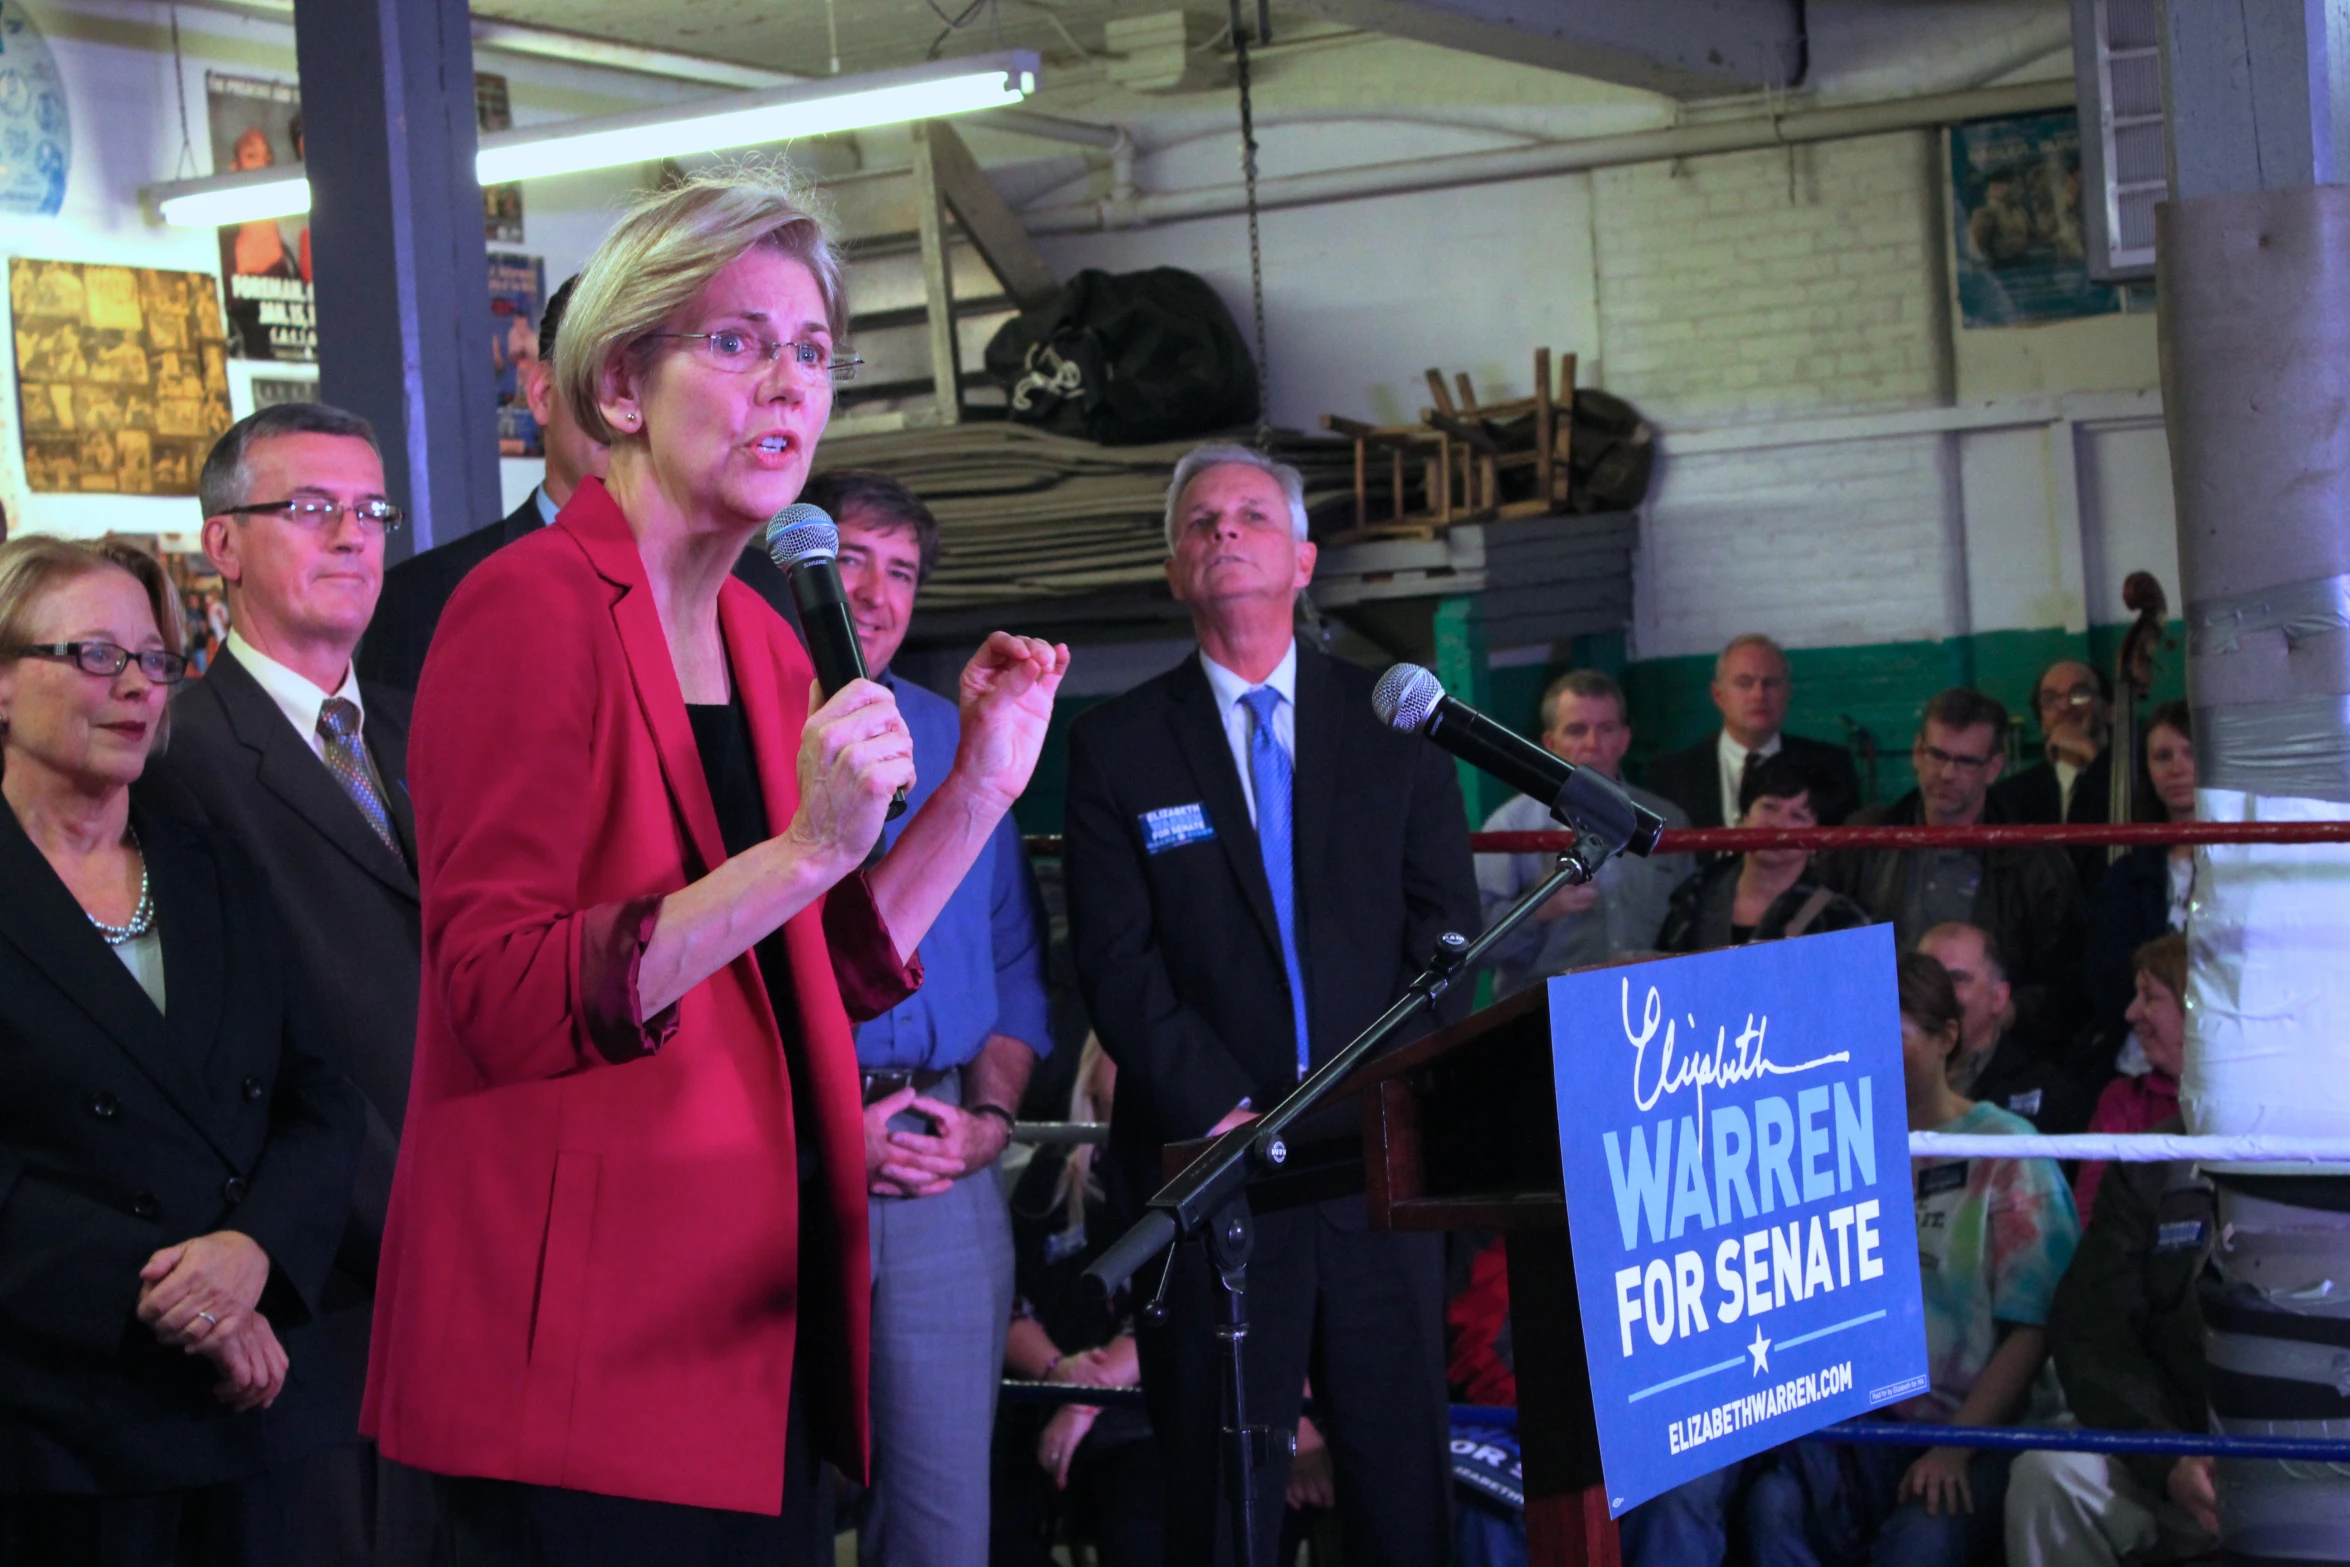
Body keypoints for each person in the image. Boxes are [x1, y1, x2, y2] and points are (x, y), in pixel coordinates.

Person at [360, 170, 1069, 1564]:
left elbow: (816, 960)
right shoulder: (525, 610)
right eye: (736, 342)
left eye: (810, 350)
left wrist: (981, 781)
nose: (787, 386)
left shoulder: (764, 638)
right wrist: (806, 840)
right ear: (620, 384)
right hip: (574, 1361)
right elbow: (501, 991)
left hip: (749, 1325)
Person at [1064, 442, 1479, 1566]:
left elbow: (1447, 933)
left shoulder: (1400, 725)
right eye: (1199, 523)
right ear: (1172, 568)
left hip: (1375, 1170)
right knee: (1221, 1499)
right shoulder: (1116, 747)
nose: (1224, 534)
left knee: (1401, 1491)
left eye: (1250, 516)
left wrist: (1384, 1104)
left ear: (1303, 560)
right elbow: (1114, 961)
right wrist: (1219, 1107)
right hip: (1210, 1172)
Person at [0, 537, 363, 1564]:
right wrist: (171, 1295)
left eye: (155, 659)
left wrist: (253, 1255)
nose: (135, 686)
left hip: (265, 1407)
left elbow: (319, 1097)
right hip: (65, 1423)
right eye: (93, 655)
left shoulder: (212, 866)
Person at [136, 403, 435, 1563]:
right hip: (319, 1287)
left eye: (370, 511)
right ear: (221, 546)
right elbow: (215, 1054)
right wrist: (375, 1220)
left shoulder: (421, 733)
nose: (352, 536)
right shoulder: (177, 754)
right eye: (309, 508)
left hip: (480, 1262)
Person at [797, 468, 1055, 1567]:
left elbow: (1014, 968)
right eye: (851, 558)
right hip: (788, 1164)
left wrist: (990, 1122)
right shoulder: (749, 727)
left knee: (946, 1523)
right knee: (770, 1510)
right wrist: (815, 1135)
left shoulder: (963, 736)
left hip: (941, 1166)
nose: (875, 590)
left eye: (900, 570)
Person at [1740, 952, 2080, 1567]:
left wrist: (1954, 1447)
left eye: (1889, 1036)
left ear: (1946, 1038)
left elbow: (2035, 1327)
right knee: (1772, 1505)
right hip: (1855, 1426)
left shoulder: (2007, 1150)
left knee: (1920, 1543)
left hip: (1976, 1429)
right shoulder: (1828, 1140)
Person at [1820, 688, 2087, 1074]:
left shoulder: (2035, 860)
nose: (1946, 774)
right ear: (1917, 752)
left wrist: (2004, 1010)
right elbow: (1820, 945)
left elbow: (2070, 983)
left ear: (1993, 768)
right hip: (1872, 1048)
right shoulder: (1863, 839)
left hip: (1988, 1061)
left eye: (1965, 762)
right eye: (1938, 756)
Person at [357, 276, 606, 689]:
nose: (631, 411)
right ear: (543, 395)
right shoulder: (424, 603)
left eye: (656, 383)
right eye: (605, 381)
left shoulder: (742, 588)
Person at [2005, 1093, 2216, 1567]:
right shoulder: (2156, 1158)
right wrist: (2168, 1458)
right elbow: (2093, 1334)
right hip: (2176, 1450)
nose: (2133, 1012)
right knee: (2048, 1475)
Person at [993, 1037, 1160, 1567]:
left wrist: (1089, 1398)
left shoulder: (1177, 1172)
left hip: (1142, 1413)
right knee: (988, 1523)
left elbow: (1175, 1305)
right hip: (1044, 1395)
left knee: (1141, 1524)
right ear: (1089, 1069)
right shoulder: (1045, 1176)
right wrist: (1059, 1373)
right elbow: (1007, 1300)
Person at [1475, 669, 1689, 995]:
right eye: (1577, 731)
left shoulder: (1666, 820)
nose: (1592, 744)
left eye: (1606, 729)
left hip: (1651, 1004)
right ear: (1550, 742)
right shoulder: (1510, 826)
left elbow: (1692, 924)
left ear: (1624, 739)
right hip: (1541, 1013)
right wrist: (1537, 909)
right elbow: (1473, 947)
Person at [1655, 752, 1871, 951]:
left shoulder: (1840, 918)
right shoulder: (1695, 895)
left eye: (1798, 816)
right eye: (1769, 807)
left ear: (1818, 839)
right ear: (1744, 816)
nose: (1778, 824)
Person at [1644, 634, 1862, 830]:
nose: (1759, 695)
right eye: (1744, 683)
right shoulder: (1669, 776)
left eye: (1771, 683)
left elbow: (1848, 862)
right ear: (1718, 695)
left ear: (1787, 693)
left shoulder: (1832, 768)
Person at [2085, 702, 2195, 1049]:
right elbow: (2104, 979)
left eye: (2191, 753)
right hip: (2140, 1047)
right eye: (2162, 757)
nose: (2176, 768)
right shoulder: (2126, 876)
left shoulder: (2246, 864)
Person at [1913, 922, 2093, 1133]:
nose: (1938, 992)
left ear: (1998, 998)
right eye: (1927, 978)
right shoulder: (1878, 1083)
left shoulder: (2048, 1093)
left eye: (1957, 979)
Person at [2073, 934, 2189, 1217]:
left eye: (2149, 997)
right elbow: (2092, 1221)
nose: (2131, 1013)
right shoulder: (2123, 1101)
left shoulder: (2250, 1104)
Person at [1993, 659, 2120, 887]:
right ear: (2042, 721)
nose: (2065, 707)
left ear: (2110, 710)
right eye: (2050, 699)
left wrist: (2094, 758)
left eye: (2079, 694)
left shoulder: (2139, 779)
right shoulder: (2009, 796)